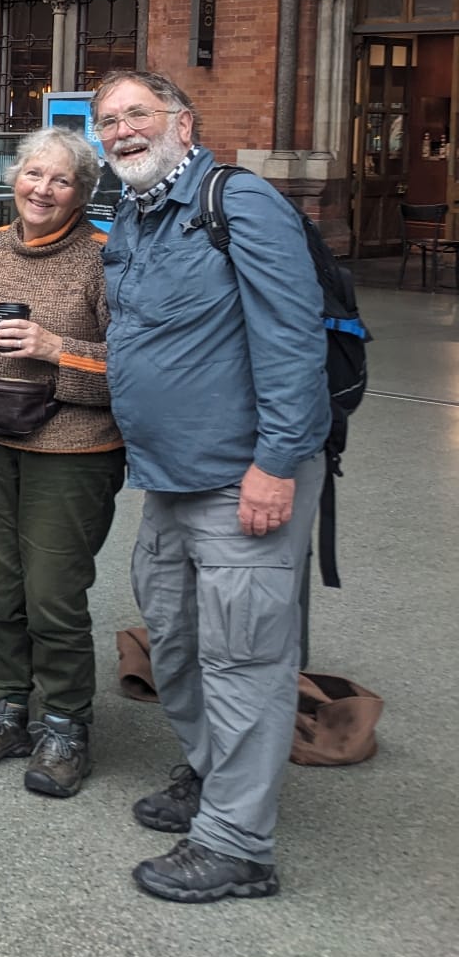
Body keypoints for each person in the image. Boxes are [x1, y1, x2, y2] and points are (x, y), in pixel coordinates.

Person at [91, 71, 330, 905]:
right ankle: (212, 772)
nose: (121, 131)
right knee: (176, 635)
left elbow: (293, 342)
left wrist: (275, 463)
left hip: (244, 476)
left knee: (244, 654)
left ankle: (238, 844)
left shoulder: (243, 204)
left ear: (182, 125)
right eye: (107, 121)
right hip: (170, 478)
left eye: (136, 115)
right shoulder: (133, 214)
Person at [0, 126, 124, 797]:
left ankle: (67, 726)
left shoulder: (104, 256)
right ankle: (8, 709)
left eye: (60, 180)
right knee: (0, 585)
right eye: (33, 175)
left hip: (72, 449)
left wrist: (53, 348)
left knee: (52, 594)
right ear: (16, 178)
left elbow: (133, 369)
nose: (42, 189)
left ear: (82, 191)